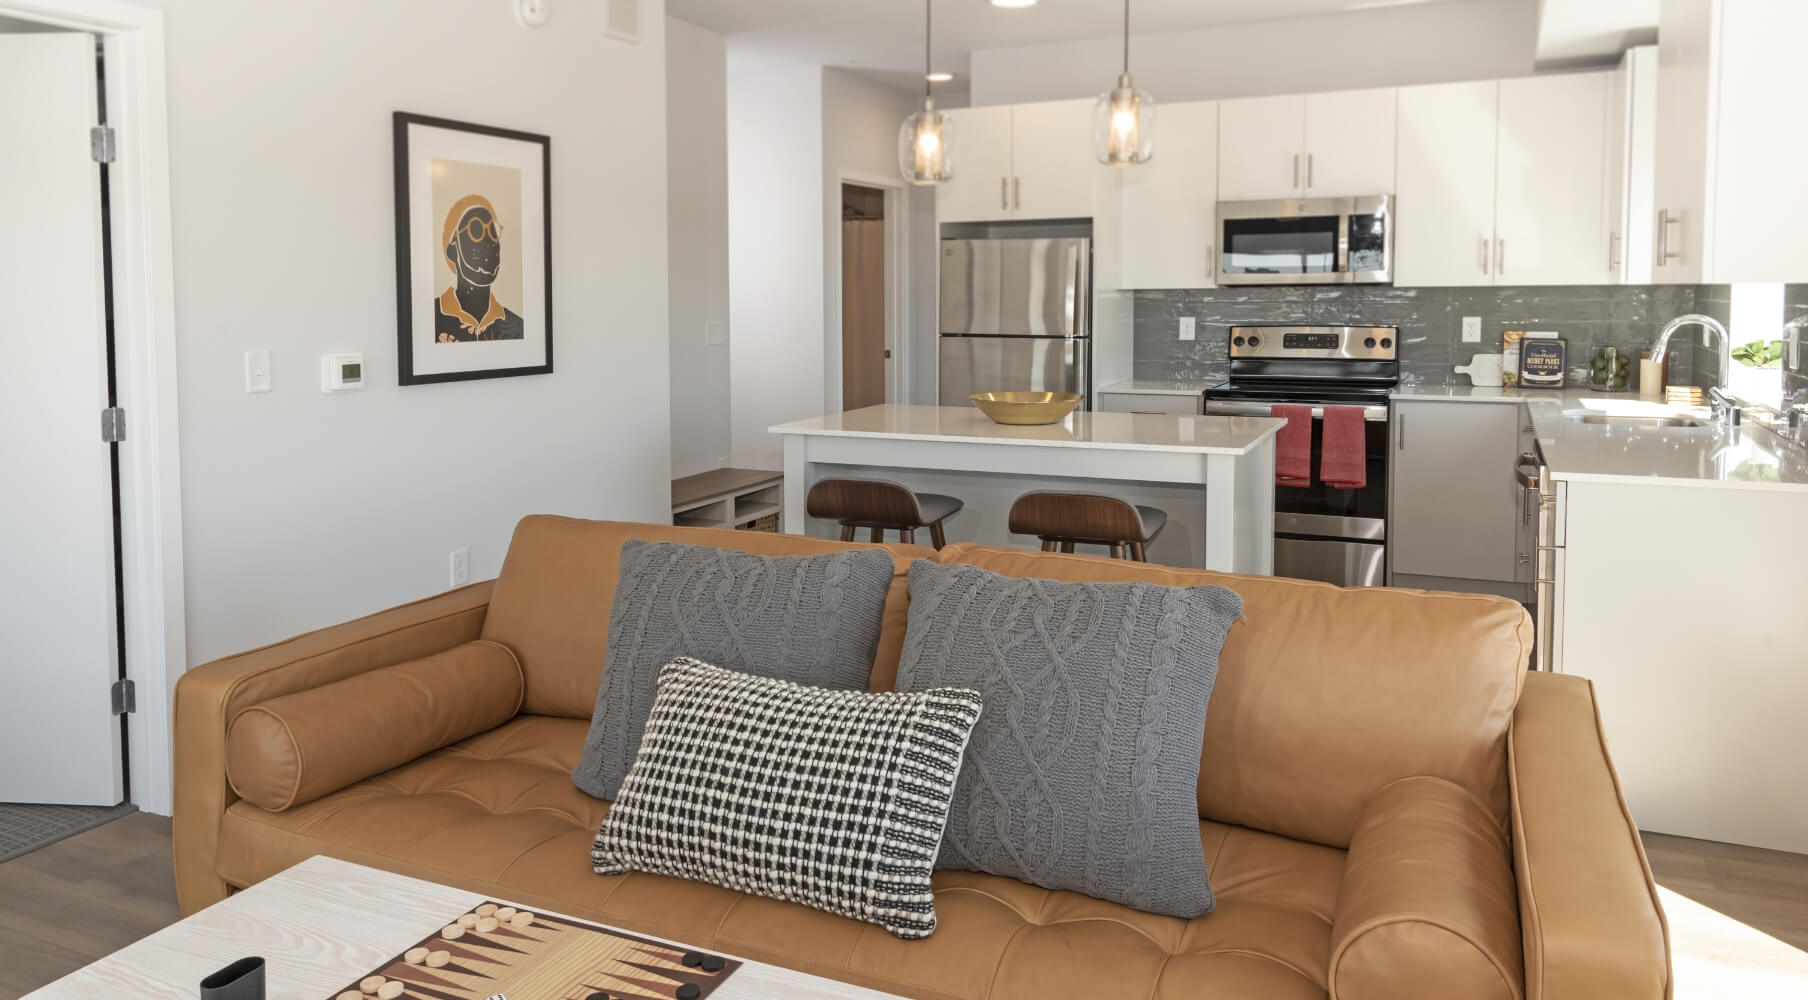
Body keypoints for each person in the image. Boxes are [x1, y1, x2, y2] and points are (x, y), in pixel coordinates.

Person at [433, 194, 525, 342]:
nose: (488, 244)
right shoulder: (430, 318)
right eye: (475, 231)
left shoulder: (516, 327)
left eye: (493, 233)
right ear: (452, 250)